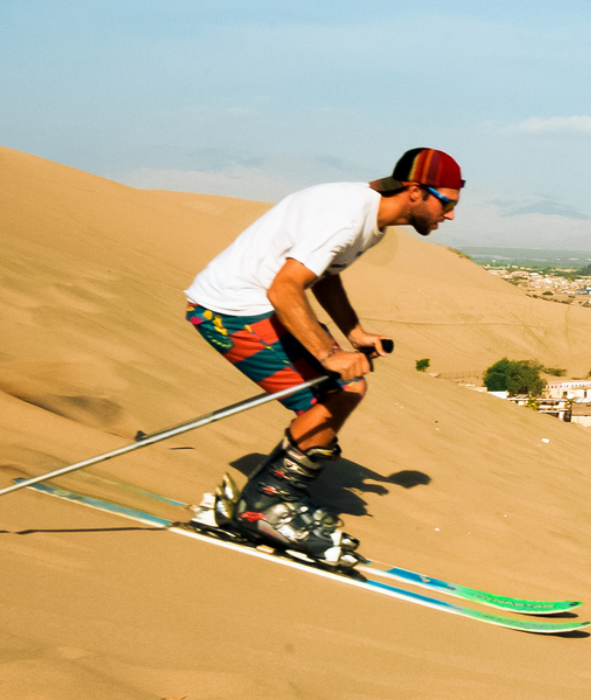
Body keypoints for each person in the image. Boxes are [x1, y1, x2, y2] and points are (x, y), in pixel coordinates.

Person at [182, 148, 463, 567]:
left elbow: (324, 277)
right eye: (448, 202)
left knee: (343, 392)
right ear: (415, 191)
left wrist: (354, 333)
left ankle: (271, 502)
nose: (451, 215)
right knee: (344, 387)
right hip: (230, 309)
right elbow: (285, 288)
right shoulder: (347, 217)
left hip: (255, 304)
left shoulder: (371, 219)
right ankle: (266, 508)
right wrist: (329, 354)